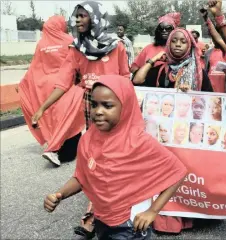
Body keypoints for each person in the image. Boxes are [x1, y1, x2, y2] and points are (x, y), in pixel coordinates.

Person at [44, 75, 186, 239]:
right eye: (94, 104)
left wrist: (153, 211)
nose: (98, 111)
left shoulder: (139, 142)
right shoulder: (88, 139)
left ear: (125, 106)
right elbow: (83, 177)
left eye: (107, 105)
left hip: (130, 225)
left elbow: (178, 171)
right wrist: (59, 194)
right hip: (102, 219)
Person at [32, 1, 130, 144]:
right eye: (76, 16)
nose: (77, 19)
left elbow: (125, 77)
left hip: (114, 99)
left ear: (95, 18)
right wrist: (42, 109)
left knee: (116, 141)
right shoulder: (77, 49)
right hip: (90, 100)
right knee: (95, 141)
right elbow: (63, 83)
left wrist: (128, 103)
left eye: (83, 16)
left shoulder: (116, 46)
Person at [18, 15, 85, 166]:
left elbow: (34, 66)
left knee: (52, 118)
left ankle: (54, 146)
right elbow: (76, 63)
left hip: (45, 86)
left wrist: (23, 85)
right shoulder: (69, 41)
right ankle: (62, 151)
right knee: (70, 117)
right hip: (64, 85)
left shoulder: (41, 44)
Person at [131, 13, 180, 87]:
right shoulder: (149, 48)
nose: (164, 30)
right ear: (158, 31)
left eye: (168, 28)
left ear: (174, 31)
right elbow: (134, 68)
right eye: (161, 28)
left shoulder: (179, 49)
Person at [164, 28, 214, 93]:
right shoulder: (160, 70)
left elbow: (209, 98)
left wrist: (190, 94)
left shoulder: (199, 73)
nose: (178, 44)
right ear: (168, 44)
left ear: (189, 46)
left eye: (183, 42)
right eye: (173, 41)